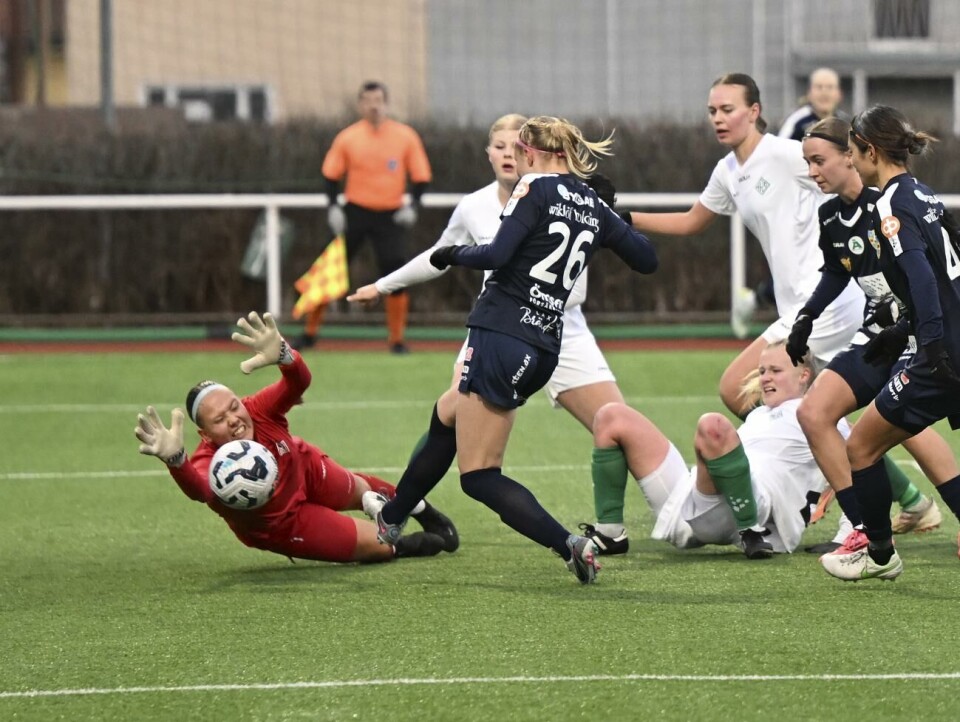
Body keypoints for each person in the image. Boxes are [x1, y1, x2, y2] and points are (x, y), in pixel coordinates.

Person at [367, 116, 659, 584]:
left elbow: (496, 255)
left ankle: (569, 545)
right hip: (545, 345)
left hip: (501, 334)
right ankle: (393, 516)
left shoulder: (533, 187)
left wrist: (450, 254)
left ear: (529, 153)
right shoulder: (590, 202)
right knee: (448, 412)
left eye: (517, 151)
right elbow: (647, 259)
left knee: (479, 476)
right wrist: (608, 222)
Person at [623, 73, 864, 417]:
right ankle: (831, 450)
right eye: (712, 111)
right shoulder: (727, 171)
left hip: (826, 302)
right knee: (827, 412)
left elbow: (852, 177)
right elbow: (692, 221)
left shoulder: (785, 154)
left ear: (754, 112)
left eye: (727, 109)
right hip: (798, 306)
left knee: (737, 387)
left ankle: (789, 447)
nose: (718, 119)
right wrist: (625, 219)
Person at [133, 311, 458, 564]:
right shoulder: (209, 461)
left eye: (233, 406)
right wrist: (176, 461)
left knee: (361, 490)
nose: (233, 419)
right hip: (285, 523)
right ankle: (405, 546)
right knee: (379, 546)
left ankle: (421, 509)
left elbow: (298, 383)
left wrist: (286, 356)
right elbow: (201, 490)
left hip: (306, 469)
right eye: (219, 419)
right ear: (205, 434)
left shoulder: (257, 409)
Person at [785, 116, 956, 555]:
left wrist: (915, 331)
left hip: (920, 336)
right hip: (884, 337)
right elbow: (836, 271)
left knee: (896, 425)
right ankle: (864, 528)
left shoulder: (889, 203)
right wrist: (806, 316)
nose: (812, 171)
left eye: (819, 160)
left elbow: (924, 277)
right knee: (814, 413)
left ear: (854, 155)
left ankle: (883, 543)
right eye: (807, 162)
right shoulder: (832, 216)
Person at [589, 341, 834, 558]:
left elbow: (855, 454)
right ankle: (609, 534)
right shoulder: (760, 413)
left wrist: (845, 528)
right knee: (610, 416)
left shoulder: (820, 415)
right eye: (762, 371)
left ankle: (750, 531)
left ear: (804, 375)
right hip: (694, 502)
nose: (765, 378)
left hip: (755, 509)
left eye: (775, 371)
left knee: (713, 425)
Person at [294, 80, 433, 354]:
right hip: (355, 212)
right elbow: (330, 175)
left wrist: (413, 206)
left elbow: (422, 176)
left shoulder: (405, 136)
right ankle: (309, 333)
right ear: (360, 105)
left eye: (378, 100)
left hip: (390, 216)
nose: (373, 106)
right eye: (368, 101)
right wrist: (333, 207)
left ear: (386, 103)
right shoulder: (348, 137)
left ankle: (396, 340)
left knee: (396, 270)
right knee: (329, 267)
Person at [778, 67, 845, 142]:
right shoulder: (796, 121)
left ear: (839, 94)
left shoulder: (845, 123)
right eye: (819, 87)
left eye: (830, 87)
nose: (824, 93)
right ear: (809, 93)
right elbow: (780, 145)